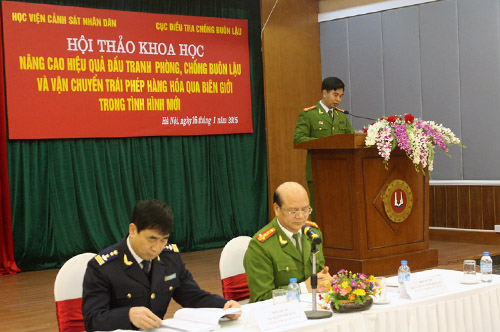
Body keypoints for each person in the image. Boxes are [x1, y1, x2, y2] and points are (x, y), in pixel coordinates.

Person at [82, 199, 241, 332]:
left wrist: (224, 306)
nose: (157, 248)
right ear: (133, 230)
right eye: (151, 239)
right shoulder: (103, 267)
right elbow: (93, 320)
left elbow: (192, 296)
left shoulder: (170, 259)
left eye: (163, 240)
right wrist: (128, 315)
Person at [243, 182, 331, 302]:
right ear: (277, 209)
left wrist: (324, 280)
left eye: (306, 210)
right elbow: (261, 298)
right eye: (293, 211)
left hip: (313, 305)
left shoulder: (312, 233)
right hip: (280, 314)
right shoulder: (261, 245)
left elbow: (319, 274)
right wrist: (302, 288)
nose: (301, 216)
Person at [293, 77, 355, 220]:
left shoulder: (341, 115)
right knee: (319, 210)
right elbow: (298, 139)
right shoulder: (309, 114)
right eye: (335, 95)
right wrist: (326, 143)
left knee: (339, 208)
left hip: (341, 171)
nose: (338, 99)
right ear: (324, 93)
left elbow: (351, 139)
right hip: (318, 171)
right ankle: (316, 241)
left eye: (340, 96)